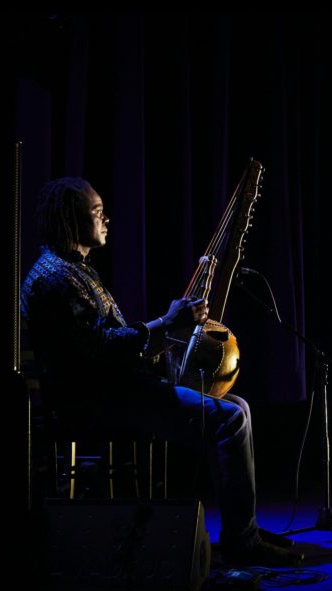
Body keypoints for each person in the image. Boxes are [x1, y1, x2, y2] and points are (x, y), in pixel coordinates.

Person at [21, 177, 304, 565]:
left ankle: (244, 527)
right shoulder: (57, 278)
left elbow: (107, 340)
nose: (107, 220)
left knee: (238, 405)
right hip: (99, 401)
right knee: (231, 419)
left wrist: (169, 330)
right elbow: (102, 348)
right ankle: (242, 542)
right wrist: (166, 325)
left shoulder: (73, 270)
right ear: (71, 219)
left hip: (114, 389)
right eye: (97, 212)